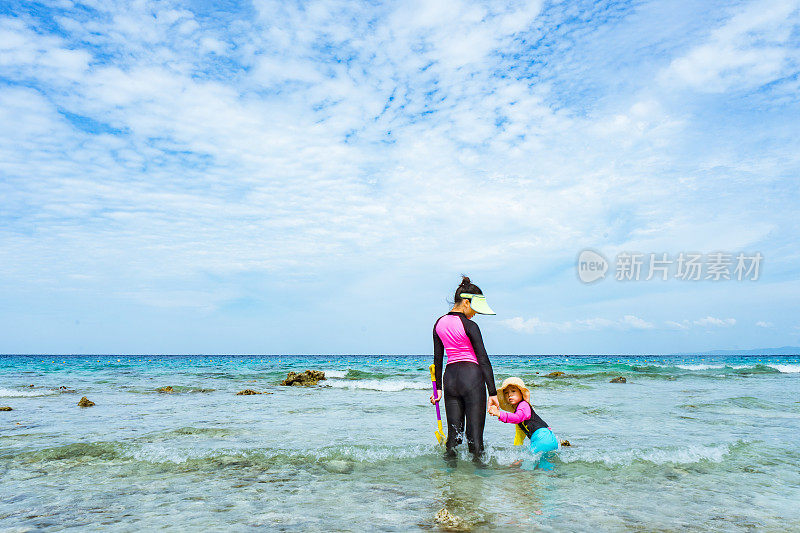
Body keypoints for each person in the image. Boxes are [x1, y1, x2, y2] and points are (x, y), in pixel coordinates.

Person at [430, 275, 499, 462]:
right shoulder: (470, 325)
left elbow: (438, 360)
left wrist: (438, 390)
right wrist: (492, 393)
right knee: (475, 440)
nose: (475, 313)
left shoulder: (438, 323)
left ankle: (450, 482)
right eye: (475, 309)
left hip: (450, 379)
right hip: (472, 379)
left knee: (453, 439)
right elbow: (483, 359)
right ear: (466, 303)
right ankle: (477, 484)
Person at [488, 377, 559, 470]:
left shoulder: (524, 405)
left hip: (542, 437)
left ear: (521, 393)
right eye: (506, 393)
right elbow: (519, 438)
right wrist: (517, 457)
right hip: (549, 439)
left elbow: (517, 418)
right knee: (544, 467)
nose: (509, 395)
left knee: (526, 466)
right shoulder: (518, 413)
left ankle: (523, 481)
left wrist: (499, 414)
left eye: (513, 391)